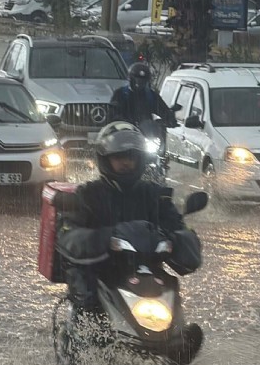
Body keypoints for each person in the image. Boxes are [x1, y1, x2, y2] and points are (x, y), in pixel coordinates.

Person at [56, 121, 202, 324]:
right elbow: (68, 236)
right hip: (101, 271)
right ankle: (80, 341)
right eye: (119, 157)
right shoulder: (88, 195)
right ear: (105, 160)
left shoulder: (155, 196)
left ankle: (177, 335)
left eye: (132, 158)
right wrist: (106, 239)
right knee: (86, 298)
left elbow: (179, 228)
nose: (126, 163)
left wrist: (176, 241)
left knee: (170, 286)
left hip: (145, 272)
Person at [109, 62, 178, 129]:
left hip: (145, 135)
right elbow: (112, 113)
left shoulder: (151, 96)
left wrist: (169, 118)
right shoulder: (121, 93)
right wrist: (122, 121)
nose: (139, 82)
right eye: (136, 79)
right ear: (130, 79)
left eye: (143, 80)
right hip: (124, 133)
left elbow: (162, 109)